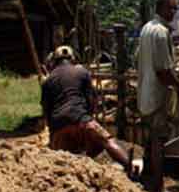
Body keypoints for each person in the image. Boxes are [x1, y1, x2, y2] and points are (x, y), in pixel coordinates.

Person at [137, 0, 179, 192]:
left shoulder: (146, 28)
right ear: (161, 7)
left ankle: (147, 180)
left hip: (145, 94)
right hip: (156, 94)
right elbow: (164, 72)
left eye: (175, 8)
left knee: (150, 139)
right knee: (158, 142)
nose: (174, 12)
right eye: (171, 8)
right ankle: (158, 186)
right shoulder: (161, 32)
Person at [42, 45, 135, 175]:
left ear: (54, 61)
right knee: (107, 142)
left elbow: (47, 111)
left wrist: (53, 136)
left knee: (66, 159)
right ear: (73, 58)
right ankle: (130, 168)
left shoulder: (48, 81)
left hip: (59, 126)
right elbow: (92, 101)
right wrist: (88, 118)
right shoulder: (81, 72)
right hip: (81, 119)